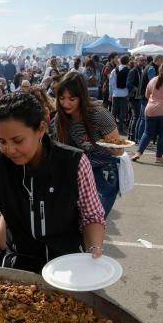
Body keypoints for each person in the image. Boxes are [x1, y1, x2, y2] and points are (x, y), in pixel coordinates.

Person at [0, 93, 106, 284]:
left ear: (40, 129)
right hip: (20, 268)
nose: (9, 149)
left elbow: (92, 216)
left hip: (68, 267)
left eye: (17, 140)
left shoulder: (74, 162)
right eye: (2, 141)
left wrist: (94, 249)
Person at [53, 71, 125, 217]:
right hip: (78, 169)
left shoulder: (99, 115)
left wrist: (107, 143)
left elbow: (119, 150)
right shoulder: (59, 118)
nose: (65, 104)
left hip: (103, 169)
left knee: (94, 220)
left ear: (81, 98)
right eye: (62, 98)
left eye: (71, 99)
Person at [109, 54, 130, 133]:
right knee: (122, 112)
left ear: (120, 61)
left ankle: (111, 128)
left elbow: (111, 83)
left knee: (113, 112)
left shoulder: (114, 70)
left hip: (115, 93)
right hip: (124, 93)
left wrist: (110, 93)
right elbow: (128, 83)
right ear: (127, 62)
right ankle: (120, 128)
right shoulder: (128, 70)